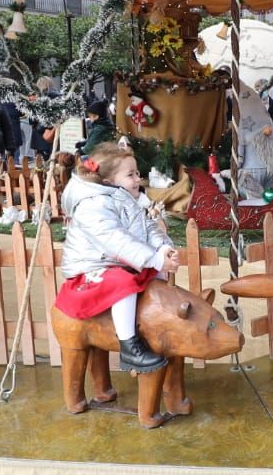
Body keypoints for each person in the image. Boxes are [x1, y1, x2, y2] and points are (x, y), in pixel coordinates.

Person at [54, 142, 179, 374]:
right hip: (90, 269)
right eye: (130, 175)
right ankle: (129, 345)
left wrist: (162, 249)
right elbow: (115, 240)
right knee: (124, 283)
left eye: (137, 173)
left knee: (153, 274)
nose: (138, 179)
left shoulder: (126, 198)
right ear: (109, 181)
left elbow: (148, 227)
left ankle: (154, 319)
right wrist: (153, 259)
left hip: (115, 262)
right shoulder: (93, 204)